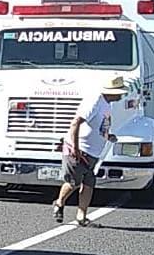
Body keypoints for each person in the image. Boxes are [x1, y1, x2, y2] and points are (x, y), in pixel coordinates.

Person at [53, 75, 127, 226]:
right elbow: (75, 123)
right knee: (74, 181)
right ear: (110, 92)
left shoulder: (107, 104)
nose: (121, 95)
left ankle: (82, 215)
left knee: (89, 183)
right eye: (119, 92)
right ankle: (59, 203)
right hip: (80, 149)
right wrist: (75, 147)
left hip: (93, 152)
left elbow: (100, 126)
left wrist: (108, 136)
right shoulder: (95, 102)